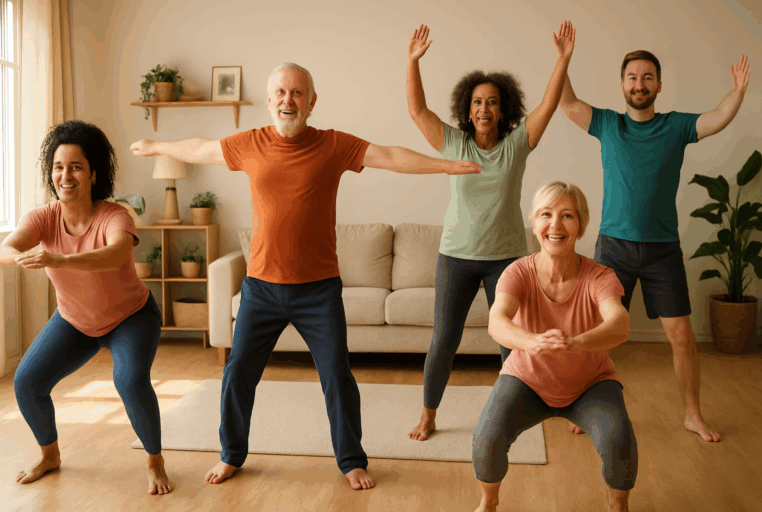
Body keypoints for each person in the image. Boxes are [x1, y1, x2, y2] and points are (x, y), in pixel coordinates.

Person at [130, 62, 482, 490]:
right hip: (261, 288)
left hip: (318, 291)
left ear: (311, 102)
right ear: (269, 99)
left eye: (297, 93)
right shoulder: (250, 144)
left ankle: (351, 460)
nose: (288, 100)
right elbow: (202, 148)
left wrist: (445, 167)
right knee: (238, 372)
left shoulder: (333, 145)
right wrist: (155, 145)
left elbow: (388, 156)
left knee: (336, 374)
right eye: (280, 92)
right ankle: (231, 455)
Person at [559, 51, 751, 442]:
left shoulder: (675, 127)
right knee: (598, 333)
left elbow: (715, 118)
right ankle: (585, 407)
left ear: (659, 85)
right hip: (614, 247)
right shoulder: (608, 124)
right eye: (632, 77)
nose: (639, 84)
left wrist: (737, 92)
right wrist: (562, 62)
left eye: (647, 77)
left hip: (662, 250)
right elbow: (568, 103)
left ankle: (692, 415)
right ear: (622, 84)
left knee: (681, 336)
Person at [406, 21, 576, 441]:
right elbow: (417, 112)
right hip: (455, 257)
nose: (484, 109)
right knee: (444, 341)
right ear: (468, 109)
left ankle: (512, 413)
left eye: (493, 103)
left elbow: (549, 107)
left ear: (504, 110)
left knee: (512, 343)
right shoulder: (454, 144)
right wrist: (412, 63)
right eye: (478, 102)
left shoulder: (516, 145)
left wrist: (563, 59)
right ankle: (428, 414)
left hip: (507, 260)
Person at [1, 121, 172, 494]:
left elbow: (115, 255)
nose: (66, 175)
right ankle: (49, 455)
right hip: (75, 320)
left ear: (94, 174)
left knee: (129, 380)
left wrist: (58, 260)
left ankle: (155, 460)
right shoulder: (43, 218)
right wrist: (22, 256)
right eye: (59, 167)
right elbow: (6, 248)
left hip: (131, 317)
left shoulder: (114, 215)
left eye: (76, 166)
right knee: (28, 382)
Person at [473, 182, 636, 512]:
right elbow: (497, 322)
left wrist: (578, 343)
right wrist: (532, 341)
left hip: (590, 384)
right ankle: (488, 504)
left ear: (581, 224)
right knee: (486, 439)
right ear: (534, 222)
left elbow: (620, 324)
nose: (556, 225)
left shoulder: (600, 276)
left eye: (567, 216)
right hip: (527, 380)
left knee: (618, 440)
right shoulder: (517, 272)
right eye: (546, 214)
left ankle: (619, 507)